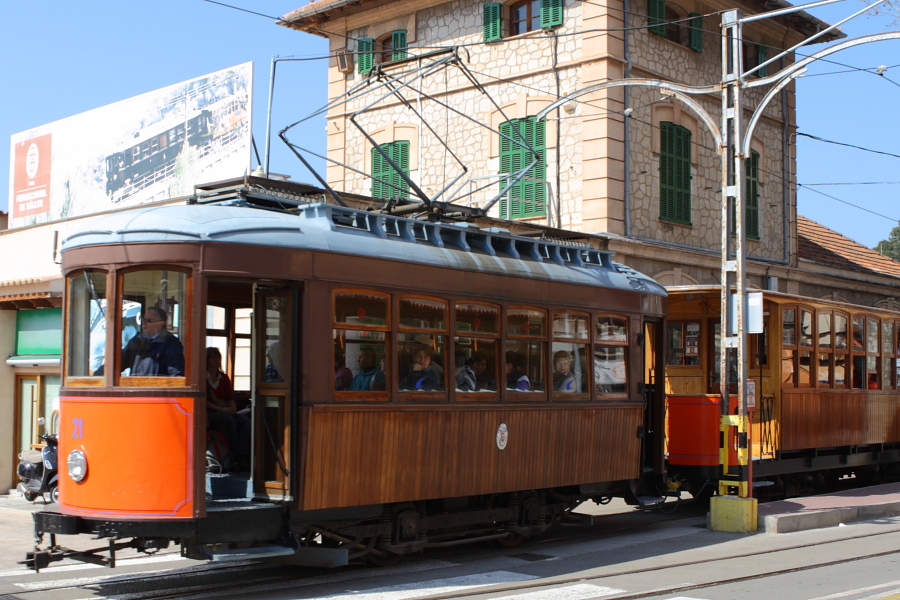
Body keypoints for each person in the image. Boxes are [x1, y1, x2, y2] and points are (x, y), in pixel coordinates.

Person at [205, 347, 251, 471]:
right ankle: (232, 456)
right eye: (213, 357)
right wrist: (223, 411)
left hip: (224, 409)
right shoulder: (203, 378)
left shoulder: (224, 378)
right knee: (229, 422)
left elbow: (230, 397)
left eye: (218, 357)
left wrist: (233, 408)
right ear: (206, 359)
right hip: (210, 412)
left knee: (245, 421)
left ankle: (242, 455)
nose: (216, 360)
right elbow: (205, 401)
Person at [121, 306, 184, 376]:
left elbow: (177, 375)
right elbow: (119, 364)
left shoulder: (171, 344)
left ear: (160, 324)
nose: (144, 323)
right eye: (143, 319)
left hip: (156, 386)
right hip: (135, 386)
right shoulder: (136, 340)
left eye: (149, 320)